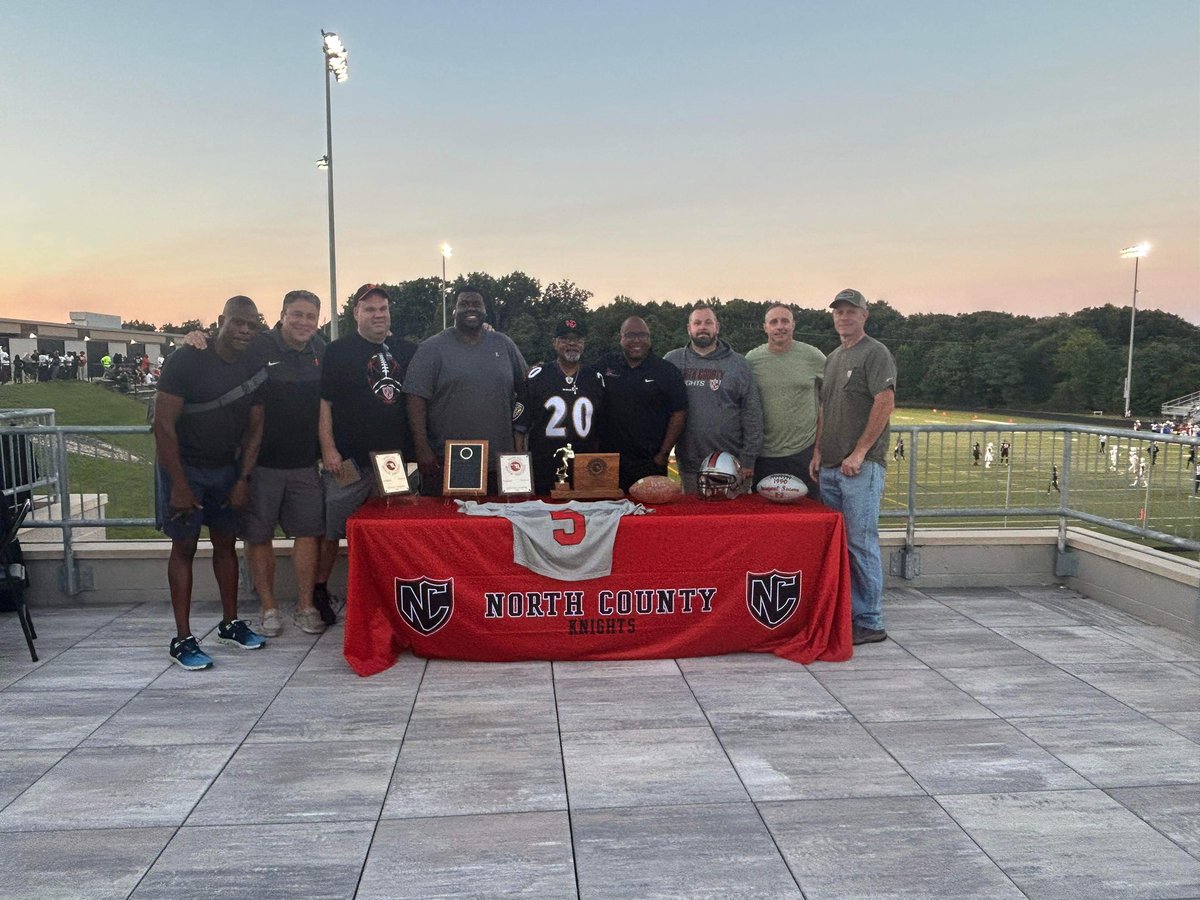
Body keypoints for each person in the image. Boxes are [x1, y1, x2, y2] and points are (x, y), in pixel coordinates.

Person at [153, 295, 267, 670]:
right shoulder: (187, 358)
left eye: (252, 324)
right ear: (221, 320)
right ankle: (182, 638)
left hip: (226, 468)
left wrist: (243, 478)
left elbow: (255, 429)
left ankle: (230, 623)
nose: (245, 330)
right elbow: (163, 424)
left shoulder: (254, 362)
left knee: (225, 545)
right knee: (183, 548)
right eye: (238, 322)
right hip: (184, 467)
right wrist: (179, 484)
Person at [232, 291, 329, 636]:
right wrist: (195, 340)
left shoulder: (321, 349)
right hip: (261, 465)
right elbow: (221, 355)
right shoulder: (258, 346)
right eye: (297, 315)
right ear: (282, 314)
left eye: (311, 317)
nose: (304, 322)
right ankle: (268, 607)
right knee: (258, 535)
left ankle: (305, 606)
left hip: (304, 463)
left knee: (308, 533)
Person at [319, 283, 418, 610]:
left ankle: (386, 592)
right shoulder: (338, 351)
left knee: (389, 529)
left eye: (383, 309)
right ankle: (320, 588)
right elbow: (325, 404)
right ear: (356, 313)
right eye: (370, 309)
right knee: (333, 527)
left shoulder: (407, 350)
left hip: (392, 463)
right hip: (348, 461)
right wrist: (329, 448)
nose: (378, 315)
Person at [810, 288, 896, 646]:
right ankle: (848, 613)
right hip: (830, 467)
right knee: (840, 545)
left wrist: (860, 452)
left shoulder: (875, 353)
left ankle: (870, 620)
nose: (843, 317)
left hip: (860, 468)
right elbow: (825, 411)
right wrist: (817, 452)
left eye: (850, 311)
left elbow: (885, 401)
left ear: (865, 315)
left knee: (861, 543)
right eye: (838, 312)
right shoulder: (832, 358)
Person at [405, 289, 528, 495]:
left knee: (497, 524)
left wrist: (519, 440)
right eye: (464, 303)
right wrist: (422, 447)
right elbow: (415, 398)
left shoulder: (504, 344)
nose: (471, 308)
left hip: (499, 463)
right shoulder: (432, 348)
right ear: (454, 310)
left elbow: (525, 388)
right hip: (448, 462)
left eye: (476, 304)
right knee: (447, 525)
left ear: (485, 310)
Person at [665, 304, 762, 494]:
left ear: (717, 327)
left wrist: (748, 459)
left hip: (732, 464)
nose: (703, 327)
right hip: (690, 465)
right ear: (689, 328)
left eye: (708, 322)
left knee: (734, 522)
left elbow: (752, 414)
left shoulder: (739, 364)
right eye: (697, 322)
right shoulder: (672, 361)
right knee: (694, 522)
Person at [514, 316, 605, 495]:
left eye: (577, 339)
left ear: (584, 343)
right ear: (554, 343)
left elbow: (601, 427)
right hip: (543, 465)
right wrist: (522, 466)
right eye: (564, 339)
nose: (571, 344)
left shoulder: (595, 379)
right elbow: (520, 427)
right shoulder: (537, 377)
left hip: (584, 466)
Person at [598, 316, 688, 490]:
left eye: (642, 335)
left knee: (650, 514)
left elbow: (679, 413)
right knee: (608, 512)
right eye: (630, 335)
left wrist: (663, 454)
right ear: (621, 338)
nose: (636, 340)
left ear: (649, 338)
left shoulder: (666, 371)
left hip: (650, 462)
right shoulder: (606, 365)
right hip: (609, 462)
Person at [745, 303, 825, 498]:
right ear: (765, 327)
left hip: (803, 453)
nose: (780, 326)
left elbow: (831, 397)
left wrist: (818, 450)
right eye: (774, 322)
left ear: (793, 325)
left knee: (807, 518)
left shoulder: (812, 356)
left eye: (785, 321)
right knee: (767, 522)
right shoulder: (752, 360)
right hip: (764, 455)